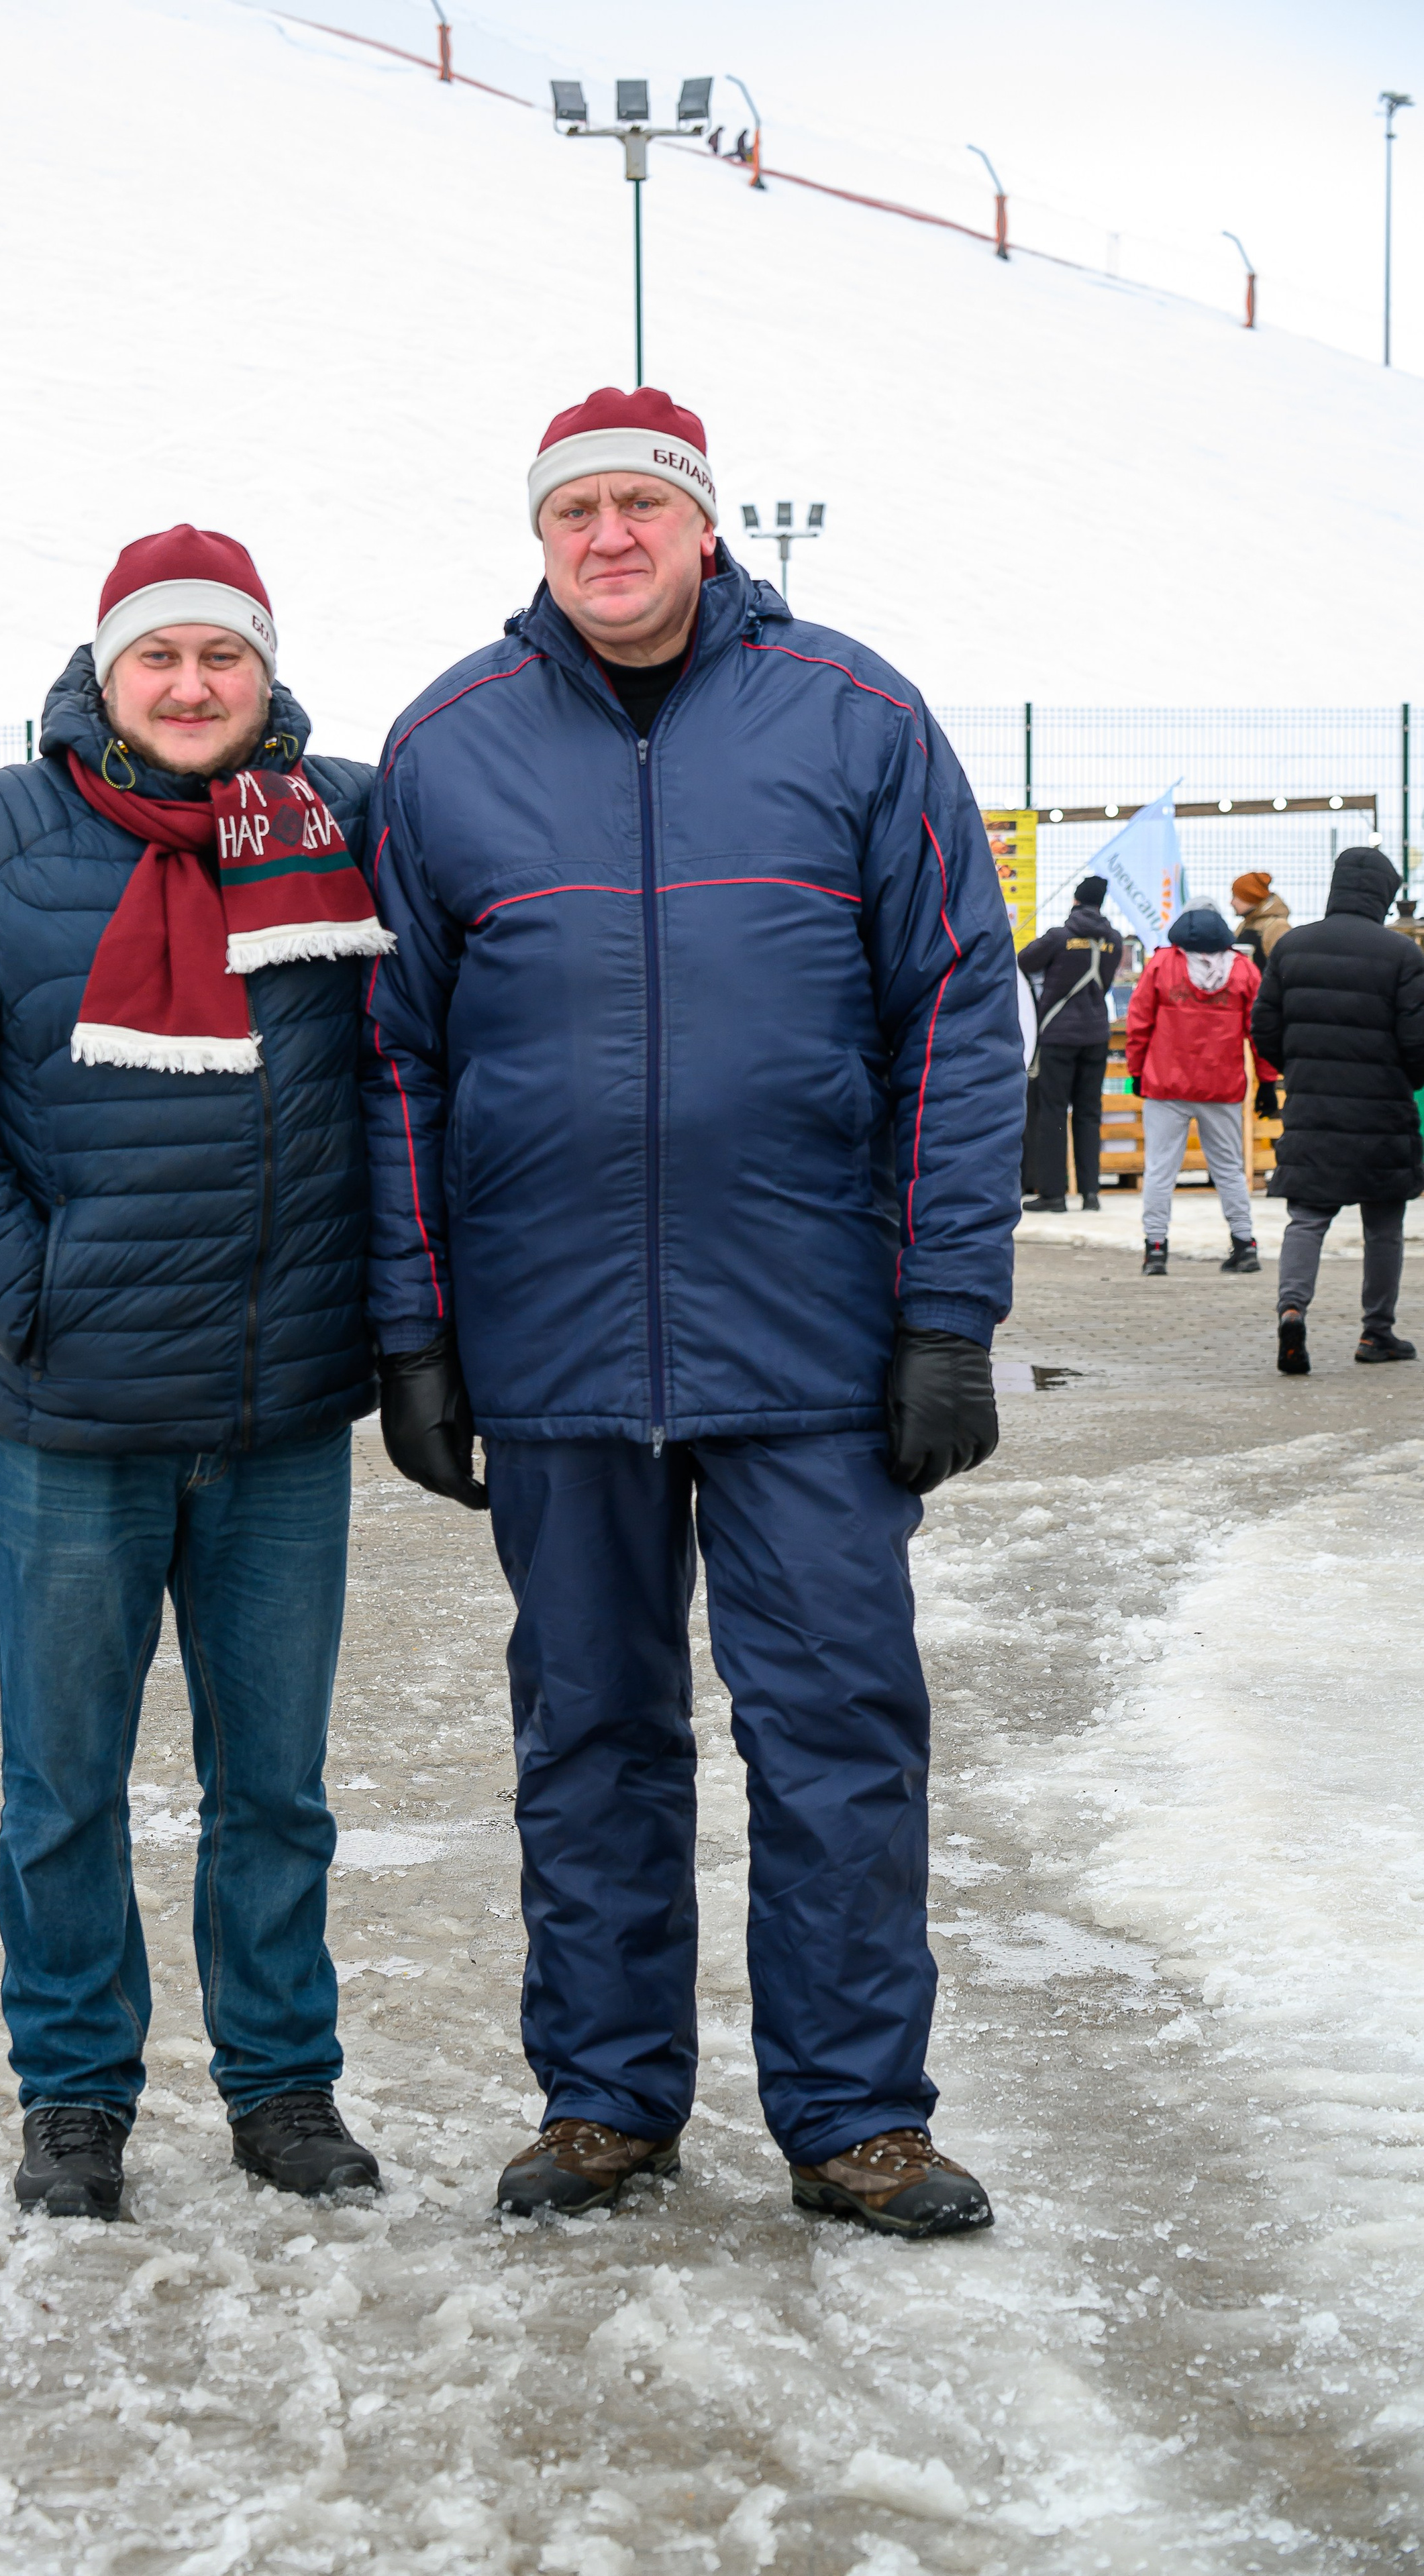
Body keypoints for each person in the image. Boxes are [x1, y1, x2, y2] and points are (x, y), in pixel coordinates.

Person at [363, 386, 1023, 2237]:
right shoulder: (449, 747)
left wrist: (945, 1313)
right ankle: (605, 2104)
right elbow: (395, 1062)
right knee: (591, 1732)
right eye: (576, 511)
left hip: (808, 1338)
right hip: (554, 1343)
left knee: (835, 1728)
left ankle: (855, 2120)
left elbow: (958, 1023)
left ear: (710, 526)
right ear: (540, 537)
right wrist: (416, 1331)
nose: (610, 538)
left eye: (644, 505)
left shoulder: (859, 718)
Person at [0, 525, 392, 2222]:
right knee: (62, 1782)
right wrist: (29, 1289)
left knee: (274, 1788)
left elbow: (421, 1069)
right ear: (102, 672)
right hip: (70, 1417)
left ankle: (281, 2085)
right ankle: (74, 2092)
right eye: (157, 655)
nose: (189, 684)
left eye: (220, 655)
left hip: (281, 1413)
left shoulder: (346, 825)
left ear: (263, 668)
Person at [1251, 846, 1424, 1373]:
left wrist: (1299, 1067)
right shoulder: (1404, 956)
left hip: (1311, 1104)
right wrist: (1402, 1080)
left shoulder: (1292, 947)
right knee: (1384, 1225)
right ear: (1382, 895)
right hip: (1383, 1110)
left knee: (1306, 1218)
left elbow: (1264, 1027)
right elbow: (1417, 1042)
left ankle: (1291, 1309)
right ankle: (1377, 1334)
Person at [1123, 907, 1272, 1277]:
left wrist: (1137, 1071)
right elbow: (1261, 1029)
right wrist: (1268, 1080)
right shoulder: (1243, 970)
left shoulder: (1161, 966)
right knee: (1229, 1168)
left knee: (1160, 1169)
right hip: (1221, 1086)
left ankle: (1155, 1250)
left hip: (1165, 1084)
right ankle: (1244, 1244)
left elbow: (1139, 1021)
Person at [1017, 873, 1123, 1213]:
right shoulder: (1114, 941)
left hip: (1058, 1035)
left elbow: (1023, 962)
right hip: (1096, 1034)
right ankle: (1091, 1193)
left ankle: (1053, 1194)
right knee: (1089, 1114)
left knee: (1053, 1113)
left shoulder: (1058, 937)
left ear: (1075, 900)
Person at [1230, 869, 1290, 967]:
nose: (1232, 903)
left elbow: (1285, 966)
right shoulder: (1243, 925)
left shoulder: (1277, 927)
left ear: (1251, 897)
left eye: (1236, 897)